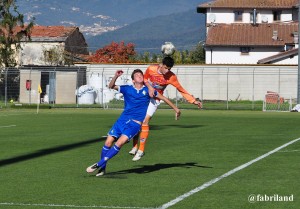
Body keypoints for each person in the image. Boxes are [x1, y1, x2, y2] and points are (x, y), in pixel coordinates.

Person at [86, 69, 181, 176]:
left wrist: (176, 109)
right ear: (133, 80)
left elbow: (163, 98)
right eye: (137, 75)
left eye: (141, 74)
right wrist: (115, 76)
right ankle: (102, 169)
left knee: (119, 143)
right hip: (122, 120)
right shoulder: (127, 89)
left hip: (135, 124)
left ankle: (99, 164)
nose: (139, 76)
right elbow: (111, 86)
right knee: (107, 143)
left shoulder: (148, 91)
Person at [129, 56, 202, 161]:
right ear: (161, 65)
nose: (168, 71)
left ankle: (141, 151)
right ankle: (135, 146)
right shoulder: (151, 69)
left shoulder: (171, 77)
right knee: (137, 121)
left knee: (145, 121)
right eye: (166, 68)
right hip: (144, 97)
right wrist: (148, 87)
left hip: (155, 100)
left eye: (170, 69)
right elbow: (144, 79)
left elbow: (181, 89)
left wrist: (193, 101)